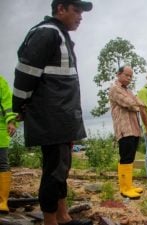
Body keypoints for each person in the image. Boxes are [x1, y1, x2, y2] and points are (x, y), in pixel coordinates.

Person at [12, 0, 93, 224]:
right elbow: (25, 73)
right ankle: (51, 220)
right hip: (52, 116)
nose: (80, 16)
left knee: (62, 168)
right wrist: (19, 106)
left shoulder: (60, 35)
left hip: (63, 115)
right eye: (76, 10)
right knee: (54, 170)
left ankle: (63, 216)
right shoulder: (46, 34)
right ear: (60, 9)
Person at [109, 66, 145, 200]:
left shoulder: (128, 90)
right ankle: (124, 188)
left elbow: (137, 103)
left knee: (130, 157)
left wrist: (137, 104)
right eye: (126, 75)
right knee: (125, 157)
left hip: (134, 128)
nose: (129, 78)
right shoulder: (114, 89)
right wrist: (138, 105)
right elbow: (128, 102)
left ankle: (129, 185)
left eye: (131, 76)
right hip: (124, 129)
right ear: (118, 74)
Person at [0, 76, 17, 214]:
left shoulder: (1, 82)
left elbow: (7, 104)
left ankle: (2, 202)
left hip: (0, 132)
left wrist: (11, 121)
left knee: (2, 164)